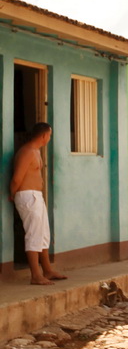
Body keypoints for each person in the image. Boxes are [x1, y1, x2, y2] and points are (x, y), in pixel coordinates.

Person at [10, 122, 67, 285]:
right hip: (27, 196)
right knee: (34, 234)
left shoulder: (36, 151)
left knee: (43, 233)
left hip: (36, 196)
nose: (50, 138)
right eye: (49, 135)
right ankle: (35, 275)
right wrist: (12, 194)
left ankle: (47, 271)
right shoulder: (27, 152)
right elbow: (16, 178)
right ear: (44, 135)